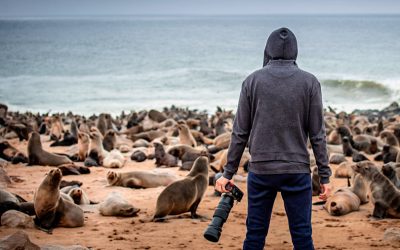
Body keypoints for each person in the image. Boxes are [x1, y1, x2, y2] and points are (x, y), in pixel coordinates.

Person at [215, 27, 332, 250]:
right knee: (302, 236)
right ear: (295, 51)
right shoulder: (310, 82)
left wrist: (228, 173)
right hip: (297, 172)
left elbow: (240, 132)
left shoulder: (252, 81)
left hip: (261, 172)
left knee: (255, 235)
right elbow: (318, 134)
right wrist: (325, 176)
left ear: (268, 48)